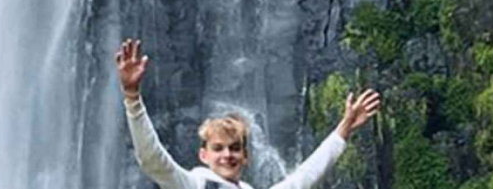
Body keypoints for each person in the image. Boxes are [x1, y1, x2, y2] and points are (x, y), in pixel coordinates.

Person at [114, 39, 380, 189]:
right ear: (203, 155)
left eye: (234, 148)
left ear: (246, 156)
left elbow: (304, 178)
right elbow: (152, 159)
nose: (227, 155)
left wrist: (344, 128)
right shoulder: (193, 184)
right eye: (218, 148)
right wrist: (132, 97)